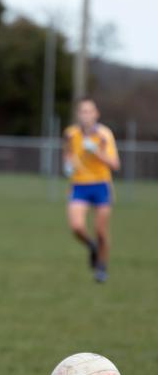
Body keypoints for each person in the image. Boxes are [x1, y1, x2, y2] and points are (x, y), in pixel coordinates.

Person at [63, 97, 120, 283]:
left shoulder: (104, 135)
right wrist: (68, 165)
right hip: (79, 184)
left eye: (89, 111)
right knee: (76, 227)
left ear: (96, 114)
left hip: (101, 184)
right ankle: (92, 246)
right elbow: (68, 154)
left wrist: (96, 151)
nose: (86, 115)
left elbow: (115, 164)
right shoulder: (71, 134)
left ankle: (102, 267)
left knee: (101, 231)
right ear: (78, 114)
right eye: (83, 111)